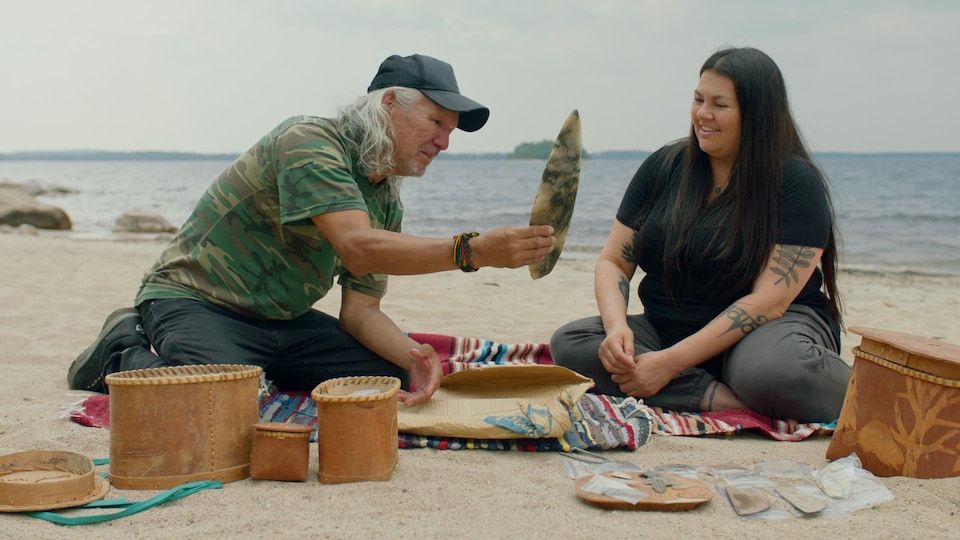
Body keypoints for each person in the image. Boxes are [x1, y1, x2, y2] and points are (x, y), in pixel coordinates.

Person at [68, 53, 556, 406]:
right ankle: (120, 349)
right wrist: (471, 251)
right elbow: (357, 247)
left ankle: (257, 369)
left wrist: (414, 358)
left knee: (389, 382)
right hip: (198, 302)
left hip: (284, 322)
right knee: (223, 399)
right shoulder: (309, 139)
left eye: (450, 131)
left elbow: (361, 313)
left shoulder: (385, 195)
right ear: (389, 103)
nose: (444, 142)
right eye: (435, 122)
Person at [549, 47, 850, 424]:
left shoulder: (794, 182)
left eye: (720, 105)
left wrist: (669, 364)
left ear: (756, 115)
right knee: (572, 343)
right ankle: (719, 397)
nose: (702, 114)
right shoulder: (663, 166)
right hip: (669, 329)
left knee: (770, 372)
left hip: (767, 332)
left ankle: (844, 392)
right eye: (698, 99)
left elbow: (769, 302)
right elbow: (614, 261)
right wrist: (617, 329)